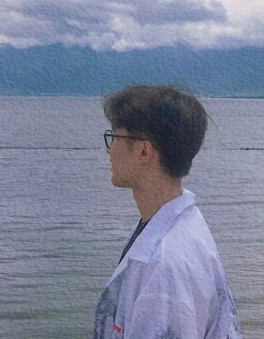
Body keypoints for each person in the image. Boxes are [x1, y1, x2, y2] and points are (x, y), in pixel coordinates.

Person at [94, 85, 242, 339]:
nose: (110, 149)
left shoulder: (165, 268)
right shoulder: (182, 222)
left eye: (115, 137)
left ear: (143, 150)